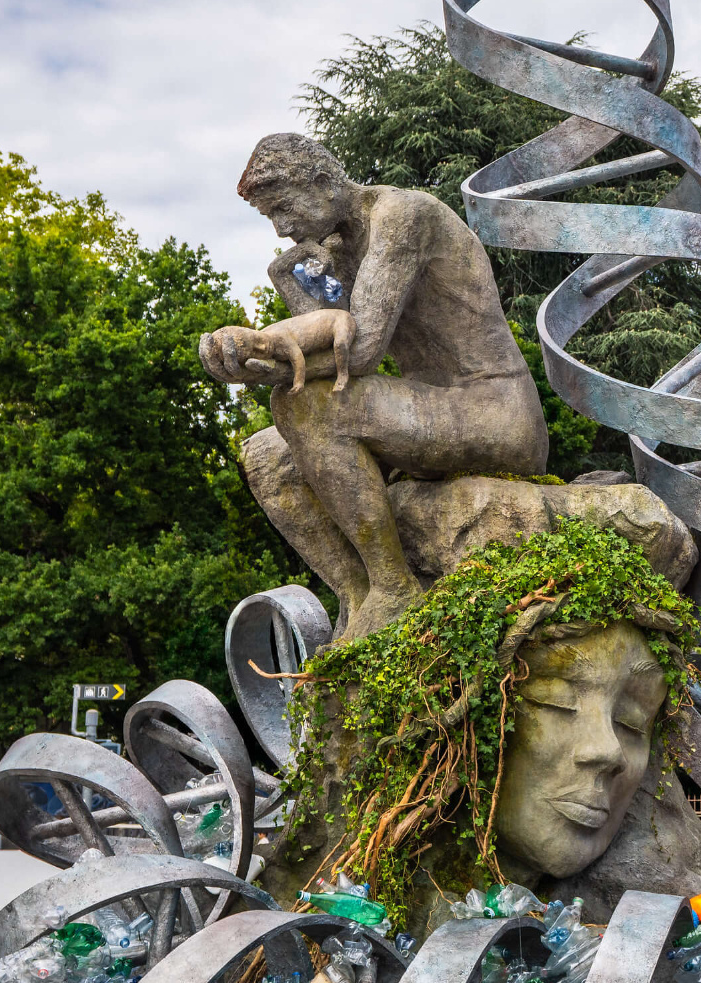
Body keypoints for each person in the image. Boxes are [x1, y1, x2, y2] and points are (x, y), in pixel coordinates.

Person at [200, 134, 548, 639]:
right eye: (269, 218)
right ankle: (357, 594)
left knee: (305, 408)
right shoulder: (336, 250)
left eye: (282, 209)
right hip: (429, 414)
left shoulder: (403, 216)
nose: (281, 229)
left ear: (320, 182)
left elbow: (356, 355)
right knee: (265, 455)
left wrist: (260, 354)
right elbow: (325, 338)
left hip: (491, 408)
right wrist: (288, 279)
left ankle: (395, 587)